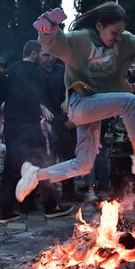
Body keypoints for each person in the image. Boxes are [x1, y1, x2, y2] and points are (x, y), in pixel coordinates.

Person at [15, 2, 135, 202]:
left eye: (121, 32)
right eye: (114, 32)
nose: (118, 38)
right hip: (79, 103)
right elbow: (56, 44)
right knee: (129, 101)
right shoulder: (82, 39)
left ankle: (35, 175)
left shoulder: (123, 42)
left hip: (94, 106)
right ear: (99, 26)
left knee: (84, 165)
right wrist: (47, 31)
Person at [0, 40, 72, 223]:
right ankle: (51, 207)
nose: (43, 58)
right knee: (43, 164)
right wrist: (64, 119)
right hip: (32, 128)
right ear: (34, 54)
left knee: (11, 168)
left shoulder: (9, 73)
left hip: (12, 128)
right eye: (41, 54)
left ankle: (5, 210)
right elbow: (50, 101)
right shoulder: (39, 73)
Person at [38, 51, 82, 201]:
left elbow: (73, 92)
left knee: (68, 157)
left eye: (50, 55)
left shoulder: (63, 71)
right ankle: (49, 194)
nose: (48, 58)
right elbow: (34, 96)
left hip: (64, 122)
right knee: (47, 159)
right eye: (44, 55)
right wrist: (41, 106)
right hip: (46, 124)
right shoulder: (36, 72)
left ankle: (68, 190)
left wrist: (67, 115)